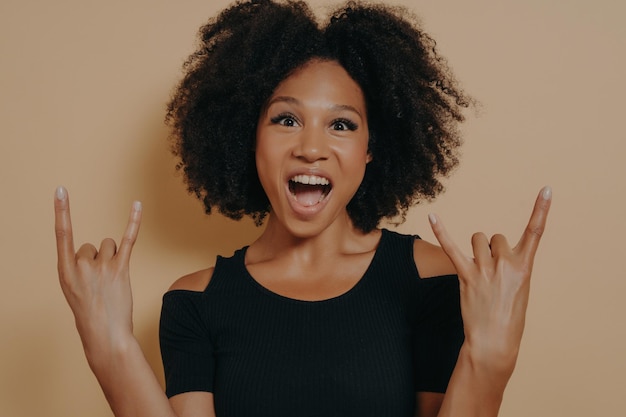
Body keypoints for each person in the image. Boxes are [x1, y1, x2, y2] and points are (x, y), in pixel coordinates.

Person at [53, 1, 552, 416]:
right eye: (286, 119)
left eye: (341, 125)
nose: (311, 148)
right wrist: (109, 346)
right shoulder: (195, 303)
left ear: (371, 149)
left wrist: (491, 358)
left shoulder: (432, 280)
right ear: (248, 137)